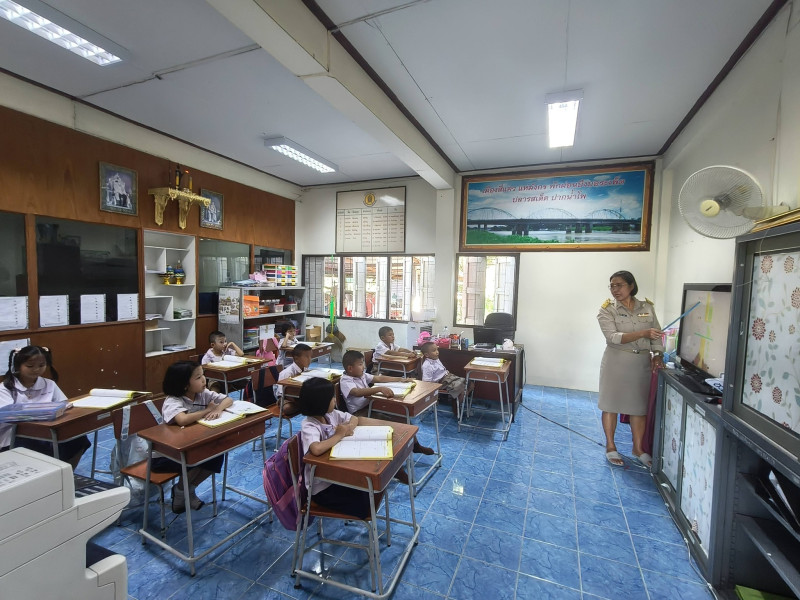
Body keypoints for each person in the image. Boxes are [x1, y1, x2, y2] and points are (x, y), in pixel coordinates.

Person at [597, 270, 664, 468]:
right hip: (616, 361)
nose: (615, 290)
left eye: (619, 285)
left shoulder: (647, 307)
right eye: (612, 286)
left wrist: (658, 354)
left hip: (641, 363)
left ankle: (638, 449)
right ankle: (610, 446)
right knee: (610, 404)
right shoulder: (607, 310)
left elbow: (656, 334)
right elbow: (613, 337)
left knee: (638, 407)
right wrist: (642, 333)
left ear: (631, 286)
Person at [157, 361, 233, 512]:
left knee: (217, 454)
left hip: (191, 447)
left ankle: (186, 490)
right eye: (198, 377)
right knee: (198, 459)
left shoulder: (202, 394)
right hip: (167, 454)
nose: (204, 380)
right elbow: (182, 419)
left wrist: (218, 409)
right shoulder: (173, 400)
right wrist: (208, 410)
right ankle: (182, 492)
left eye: (203, 375)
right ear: (185, 385)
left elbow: (228, 399)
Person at [340, 350, 433, 472]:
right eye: (361, 364)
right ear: (350, 368)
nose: (364, 367)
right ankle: (395, 468)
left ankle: (415, 445)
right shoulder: (346, 380)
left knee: (402, 418)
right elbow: (356, 392)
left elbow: (379, 378)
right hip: (360, 414)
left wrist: (400, 380)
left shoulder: (361, 375)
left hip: (372, 406)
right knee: (392, 428)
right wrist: (378, 389)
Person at [0, 345, 90, 469]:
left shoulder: (49, 384)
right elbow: (6, 415)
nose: (36, 369)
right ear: (18, 366)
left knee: (78, 440)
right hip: (14, 436)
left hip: (46, 432)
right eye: (30, 366)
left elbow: (64, 405)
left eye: (41, 365)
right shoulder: (5, 388)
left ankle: (66, 474)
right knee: (37, 449)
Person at [298, 377, 376, 518]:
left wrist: (349, 428)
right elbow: (316, 449)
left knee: (368, 490)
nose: (335, 400)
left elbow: (354, 418)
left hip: (335, 474)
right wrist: (339, 434)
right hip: (321, 488)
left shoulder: (330, 414)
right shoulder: (310, 425)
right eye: (332, 397)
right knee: (365, 506)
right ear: (321, 403)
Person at [419, 341, 469, 418]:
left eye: (437, 349)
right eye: (434, 351)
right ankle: (456, 406)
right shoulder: (427, 365)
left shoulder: (435, 358)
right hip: (441, 382)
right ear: (427, 355)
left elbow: (442, 370)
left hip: (448, 376)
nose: (437, 352)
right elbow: (426, 382)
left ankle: (458, 402)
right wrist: (433, 394)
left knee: (469, 384)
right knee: (461, 389)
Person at [276, 343, 313, 417]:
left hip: (300, 396)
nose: (310, 360)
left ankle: (305, 405)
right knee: (287, 408)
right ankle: (305, 406)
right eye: (306, 357)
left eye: (310, 357)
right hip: (285, 398)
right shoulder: (287, 373)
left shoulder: (305, 369)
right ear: (296, 358)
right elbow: (282, 393)